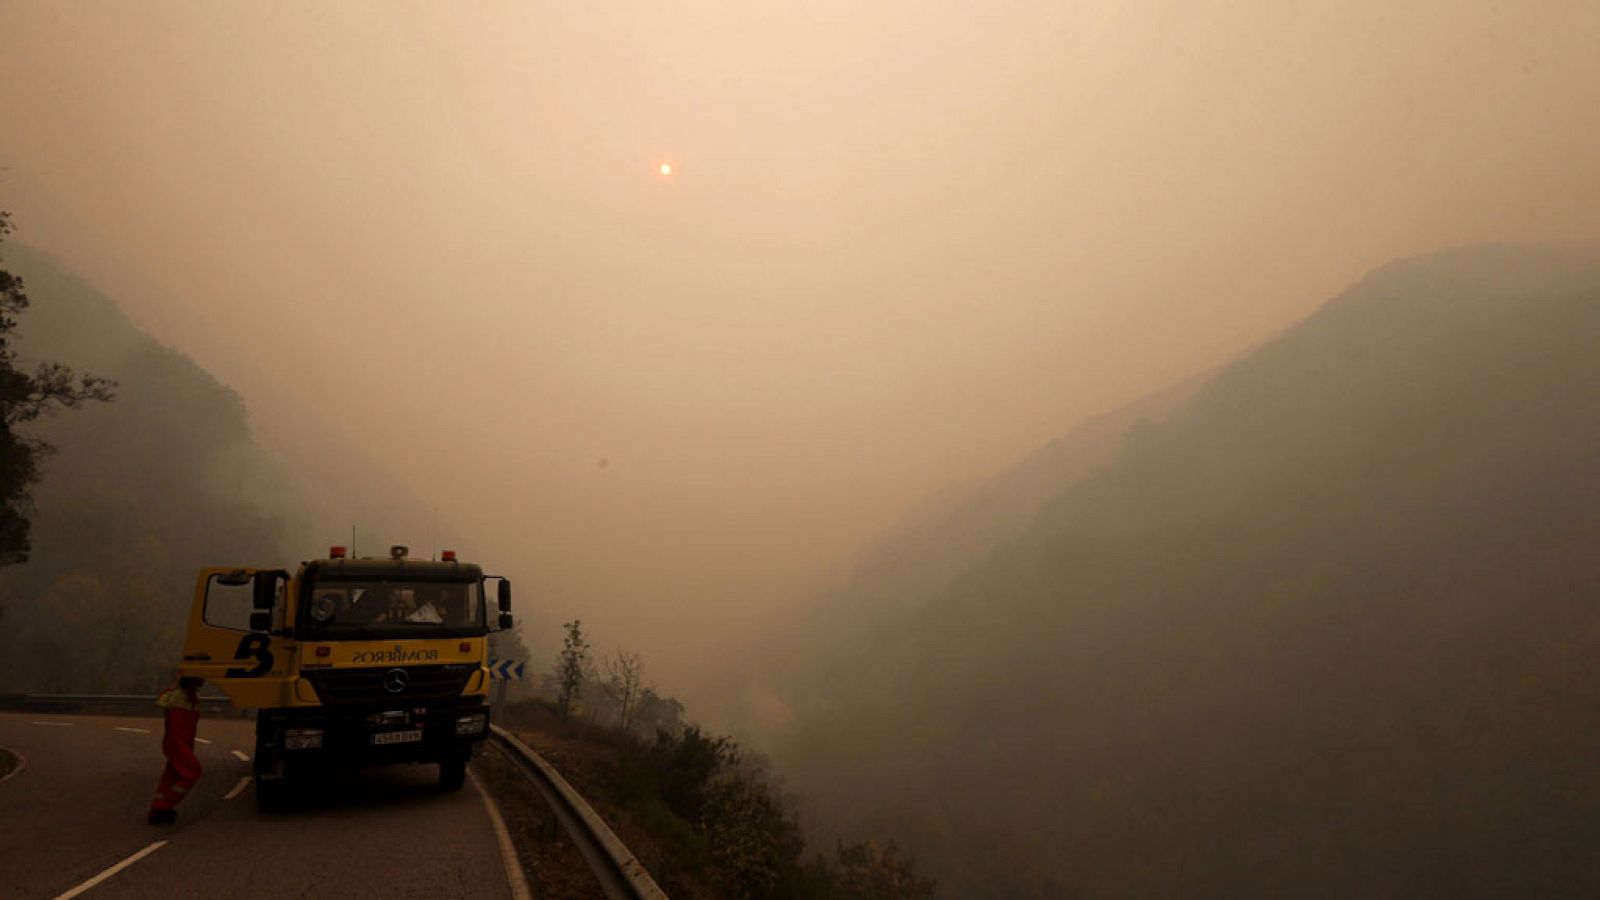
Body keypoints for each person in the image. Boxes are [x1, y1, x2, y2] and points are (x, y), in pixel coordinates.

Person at [148, 674, 204, 825]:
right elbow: (163, 701)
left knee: (172, 775)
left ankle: (158, 808)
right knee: (193, 773)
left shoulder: (192, 697)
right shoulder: (177, 696)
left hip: (184, 742)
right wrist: (175, 685)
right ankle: (164, 805)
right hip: (177, 743)